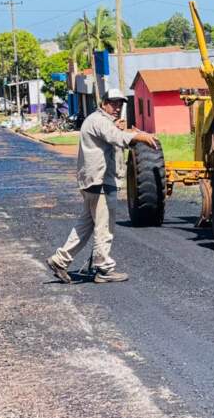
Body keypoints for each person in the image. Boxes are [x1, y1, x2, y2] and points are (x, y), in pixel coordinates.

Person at [46, 89, 158, 284]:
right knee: (104, 226)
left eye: (120, 104)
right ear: (103, 103)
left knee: (86, 225)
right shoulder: (99, 121)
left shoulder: (99, 120)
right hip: (100, 182)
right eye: (113, 103)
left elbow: (114, 135)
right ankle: (103, 268)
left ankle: (59, 260)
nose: (117, 108)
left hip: (92, 181)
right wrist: (140, 137)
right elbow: (117, 137)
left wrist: (125, 131)